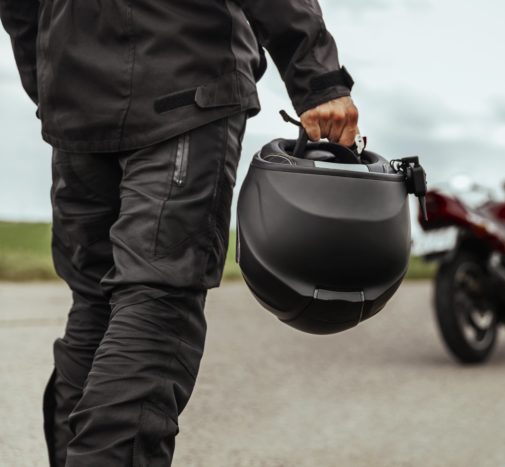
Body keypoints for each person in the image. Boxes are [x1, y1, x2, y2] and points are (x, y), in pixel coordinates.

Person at [0, 0, 359, 465]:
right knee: (157, 299)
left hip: (76, 97)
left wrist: (54, 84)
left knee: (94, 306)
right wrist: (318, 79)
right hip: (185, 79)